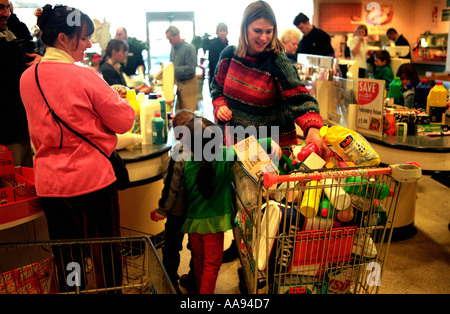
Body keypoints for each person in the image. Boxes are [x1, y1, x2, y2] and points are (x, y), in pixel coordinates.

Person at [19, 4, 135, 293]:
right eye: (83, 37)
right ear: (63, 39)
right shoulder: (85, 76)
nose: (89, 44)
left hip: (50, 185)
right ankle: (109, 292)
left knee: (68, 256)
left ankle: (75, 291)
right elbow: (124, 120)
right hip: (92, 180)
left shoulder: (27, 78)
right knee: (105, 252)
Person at [211, 1, 329, 159]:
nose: (264, 37)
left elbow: (301, 99)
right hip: (236, 143)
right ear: (244, 28)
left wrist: (312, 129)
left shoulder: (277, 61)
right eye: (257, 31)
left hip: (271, 151)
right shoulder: (229, 55)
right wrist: (220, 105)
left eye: (269, 31)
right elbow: (217, 89)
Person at [150, 109, 196, 293]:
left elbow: (171, 188)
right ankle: (193, 279)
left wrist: (162, 210)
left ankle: (170, 282)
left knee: (171, 248)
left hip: (177, 212)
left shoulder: (176, 156)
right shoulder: (204, 153)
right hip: (196, 211)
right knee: (196, 248)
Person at [0, 0, 41, 167]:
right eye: (0, 7)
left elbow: (26, 45)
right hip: (6, 135)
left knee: (26, 185)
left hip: (21, 128)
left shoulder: (10, 31)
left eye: (7, 7)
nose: (6, 13)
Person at [166, 26, 198, 113]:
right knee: (179, 114)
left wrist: (172, 70)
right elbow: (171, 64)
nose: (170, 42)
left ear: (177, 35)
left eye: (171, 39)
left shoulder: (189, 48)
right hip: (178, 83)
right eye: (168, 40)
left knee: (188, 114)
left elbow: (191, 69)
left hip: (188, 85)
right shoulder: (173, 48)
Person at [208, 23, 228, 90]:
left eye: (224, 31)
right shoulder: (213, 45)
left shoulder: (227, 44)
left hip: (226, 76)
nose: (222, 33)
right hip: (217, 76)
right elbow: (213, 64)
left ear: (227, 32)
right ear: (217, 32)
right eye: (220, 31)